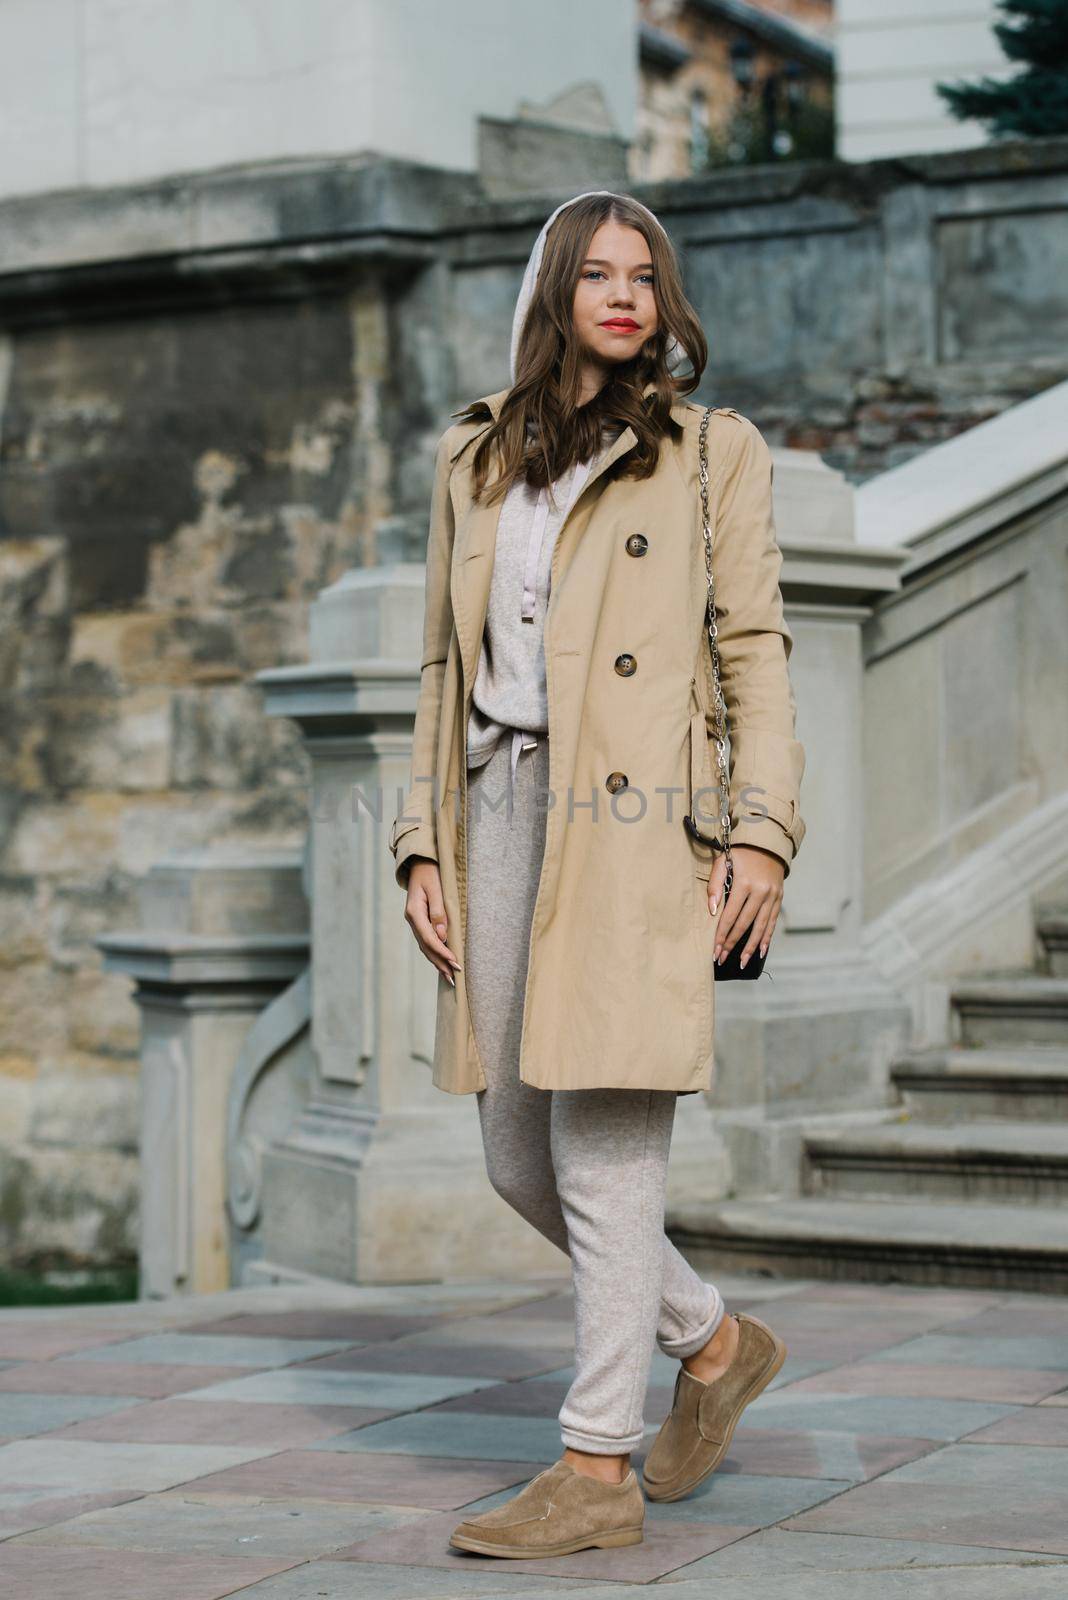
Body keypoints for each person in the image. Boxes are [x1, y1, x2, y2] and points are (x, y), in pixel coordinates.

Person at [389, 189, 805, 1559]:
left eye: (647, 275)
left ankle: (595, 1466)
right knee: (517, 1151)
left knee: (607, 1148)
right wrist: (418, 840)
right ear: (554, 287)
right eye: (599, 273)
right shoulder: (474, 457)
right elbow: (442, 672)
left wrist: (760, 830)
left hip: (636, 822)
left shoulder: (705, 451)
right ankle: (716, 1342)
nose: (626, 295)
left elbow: (753, 646)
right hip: (498, 801)